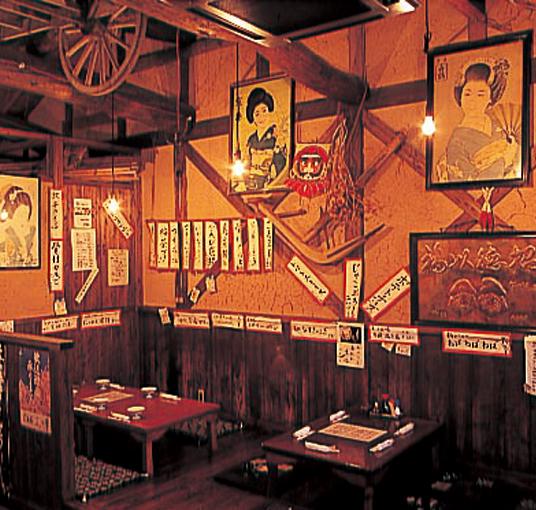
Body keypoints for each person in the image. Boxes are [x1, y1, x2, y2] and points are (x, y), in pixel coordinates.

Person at [436, 59, 520, 183]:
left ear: (490, 98)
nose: (472, 101)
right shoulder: (457, 141)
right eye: (467, 94)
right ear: (460, 97)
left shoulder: (499, 125)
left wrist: (514, 150)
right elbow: (467, 180)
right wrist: (504, 161)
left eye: (480, 95)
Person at [244, 87, 287, 190]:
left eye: (264, 111)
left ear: (269, 112)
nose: (261, 117)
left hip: (269, 182)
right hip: (252, 182)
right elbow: (246, 163)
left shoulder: (276, 137)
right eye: (257, 114)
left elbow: (281, 164)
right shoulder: (251, 140)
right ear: (253, 117)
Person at [0, 185, 36, 266]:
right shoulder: (5, 234)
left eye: (26, 215)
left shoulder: (31, 232)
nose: (24, 220)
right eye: (20, 216)